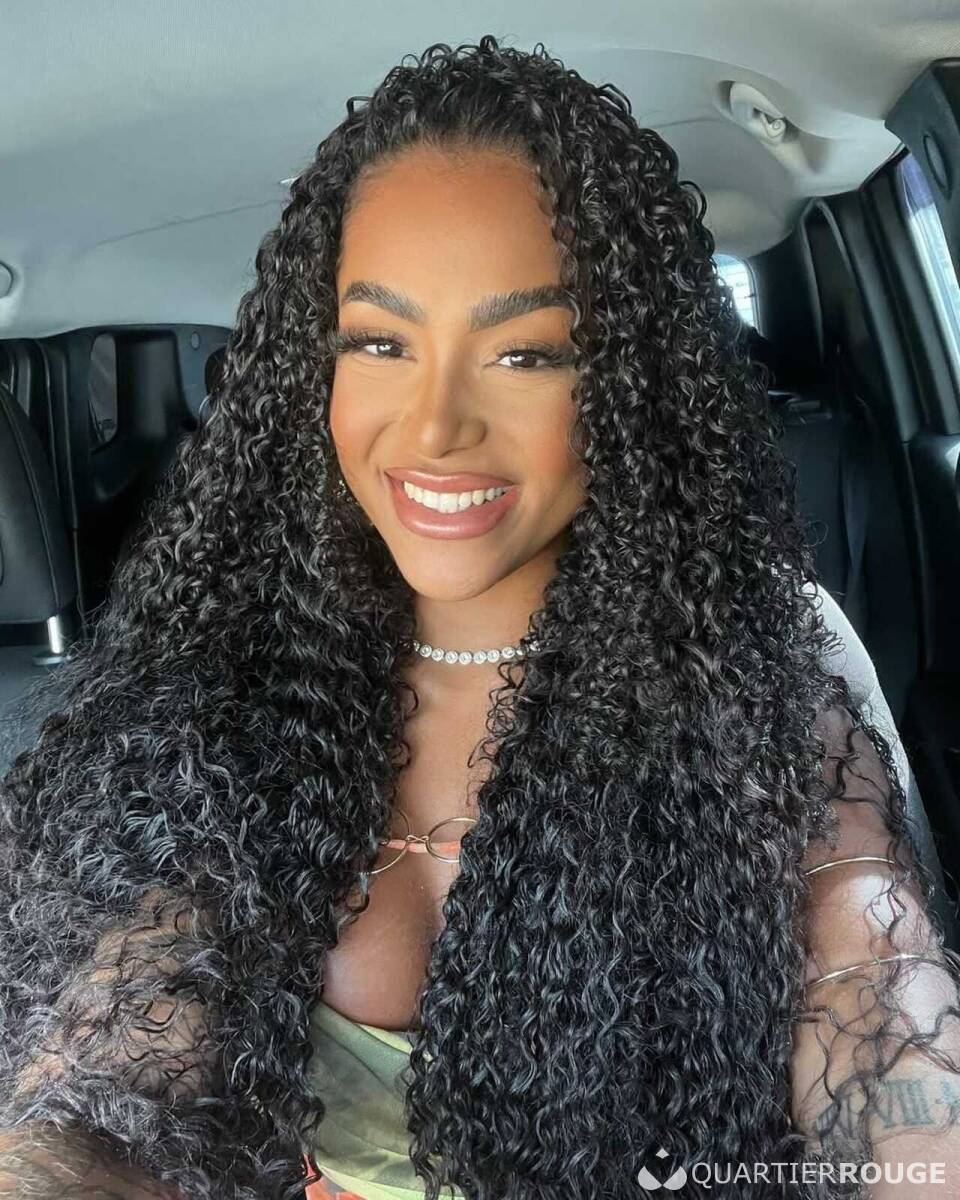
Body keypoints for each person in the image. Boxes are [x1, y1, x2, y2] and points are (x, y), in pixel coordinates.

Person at [2, 34, 960, 1200]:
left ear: (630, 381)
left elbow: (873, 972)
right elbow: (103, 1069)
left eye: (525, 353)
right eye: (380, 341)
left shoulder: (749, 660)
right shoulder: (225, 672)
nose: (435, 426)